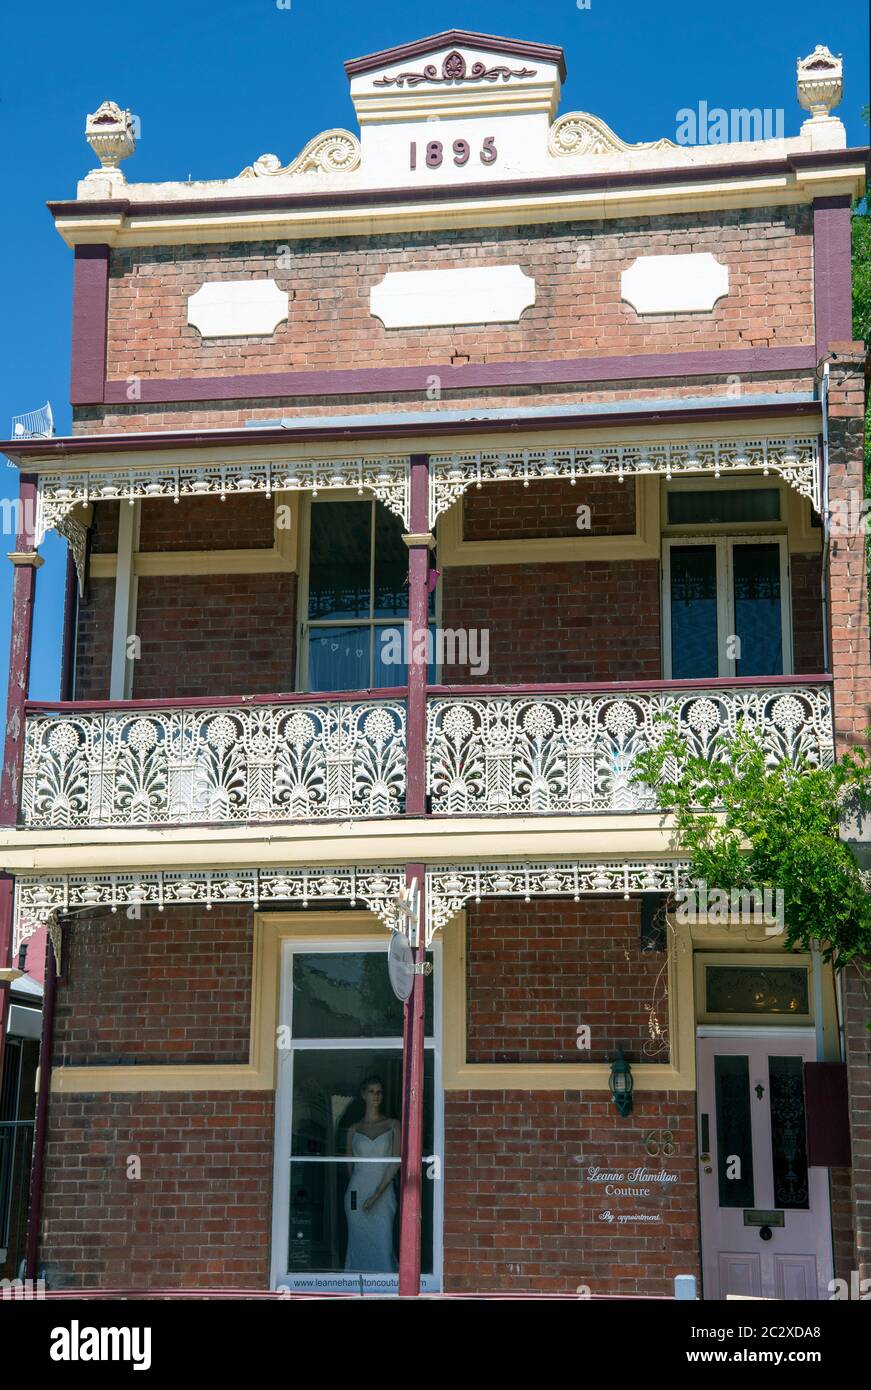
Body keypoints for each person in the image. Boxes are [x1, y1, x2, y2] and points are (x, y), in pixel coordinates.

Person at [344, 1075, 400, 1272]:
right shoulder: (353, 1129)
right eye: (371, 1091)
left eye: (379, 1092)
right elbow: (349, 1169)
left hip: (383, 1194)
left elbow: (395, 1164)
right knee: (357, 1244)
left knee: (383, 1245)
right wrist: (355, 1199)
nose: (376, 1096)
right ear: (363, 1094)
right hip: (356, 1196)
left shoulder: (393, 1125)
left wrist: (377, 1194)